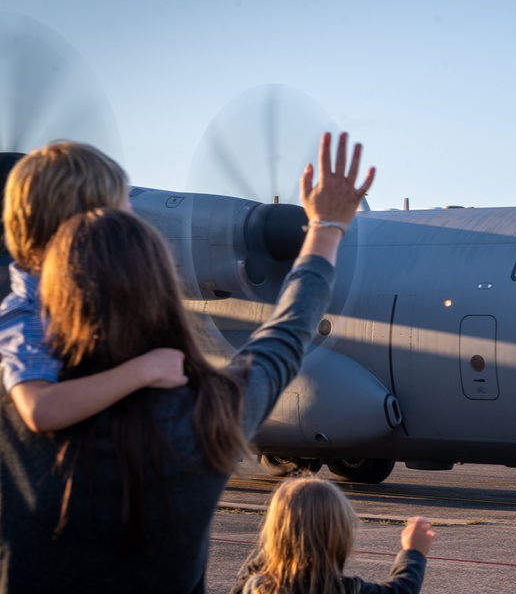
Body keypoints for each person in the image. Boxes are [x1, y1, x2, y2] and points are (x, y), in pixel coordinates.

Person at [0, 131, 375, 593]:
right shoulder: (209, 414)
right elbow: (287, 332)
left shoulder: (16, 397)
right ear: (163, 287)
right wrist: (326, 228)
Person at [0, 141, 188, 433]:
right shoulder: (28, 313)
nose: (131, 211)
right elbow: (39, 409)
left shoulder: (87, 299)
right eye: (119, 204)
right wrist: (144, 370)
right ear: (80, 223)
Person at [233, 476, 435, 594]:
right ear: (341, 536)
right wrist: (413, 553)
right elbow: (400, 591)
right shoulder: (347, 589)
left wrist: (283, 538)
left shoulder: (254, 587)